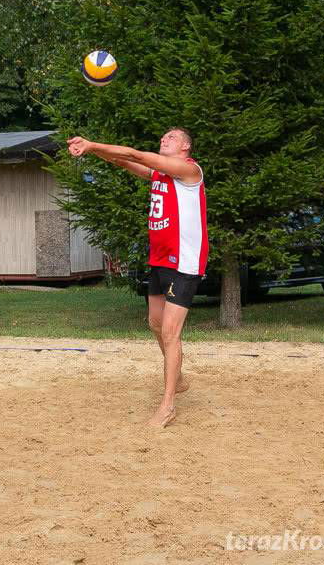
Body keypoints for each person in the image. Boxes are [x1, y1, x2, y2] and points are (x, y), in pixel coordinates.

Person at [68, 129, 207, 428]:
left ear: (185, 146)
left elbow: (133, 154)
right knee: (155, 324)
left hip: (185, 263)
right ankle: (179, 377)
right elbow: (124, 161)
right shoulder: (160, 175)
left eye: (171, 137)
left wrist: (93, 142)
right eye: (163, 137)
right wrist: (92, 151)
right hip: (160, 259)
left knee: (170, 332)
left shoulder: (189, 170)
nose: (163, 139)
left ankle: (167, 406)